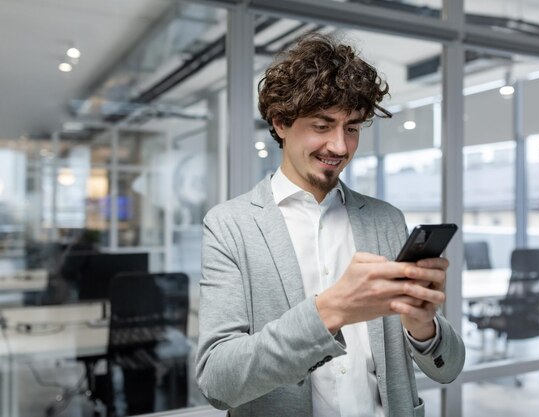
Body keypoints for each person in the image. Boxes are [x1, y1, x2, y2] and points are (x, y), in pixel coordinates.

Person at [196, 33, 465, 417]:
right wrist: (330, 311)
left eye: (352, 128)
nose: (340, 147)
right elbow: (218, 381)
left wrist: (422, 324)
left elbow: (449, 367)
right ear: (281, 122)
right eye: (322, 126)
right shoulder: (230, 225)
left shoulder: (387, 219)